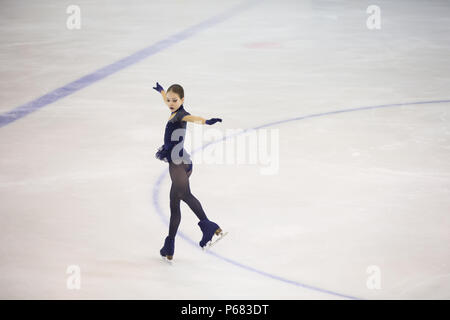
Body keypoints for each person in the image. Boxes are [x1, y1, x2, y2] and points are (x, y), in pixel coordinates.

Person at [153, 82, 225, 261]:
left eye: (174, 100)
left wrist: (207, 121)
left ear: (182, 100)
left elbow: (193, 118)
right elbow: (167, 98)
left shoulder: (182, 115)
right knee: (174, 204)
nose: (170, 102)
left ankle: (209, 226)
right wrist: (162, 91)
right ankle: (169, 246)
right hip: (180, 161)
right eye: (168, 100)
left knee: (184, 196)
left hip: (178, 164)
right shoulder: (173, 109)